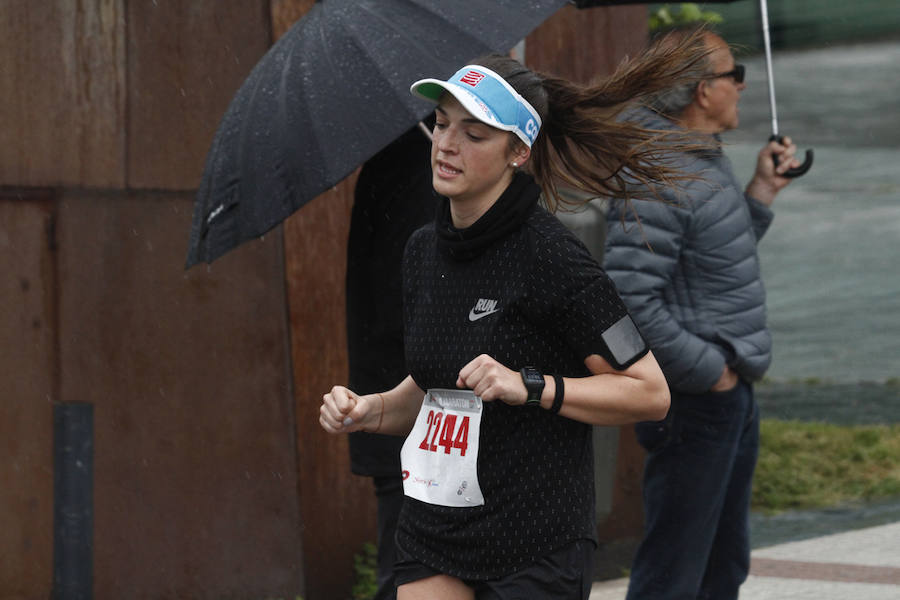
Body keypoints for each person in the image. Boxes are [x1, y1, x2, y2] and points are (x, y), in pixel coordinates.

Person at [321, 34, 710, 600]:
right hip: (438, 529)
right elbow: (435, 387)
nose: (446, 144)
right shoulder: (422, 252)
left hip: (535, 541)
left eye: (473, 134)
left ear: (517, 152)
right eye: (442, 122)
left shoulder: (551, 257)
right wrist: (369, 409)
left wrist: (529, 386)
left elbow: (649, 393)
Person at [602, 28, 801, 600]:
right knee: (674, 572)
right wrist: (709, 373)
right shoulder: (656, 173)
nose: (742, 86)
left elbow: (713, 262)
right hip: (696, 399)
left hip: (727, 394)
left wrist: (762, 191)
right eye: (731, 75)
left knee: (720, 565)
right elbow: (629, 301)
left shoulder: (696, 159)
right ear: (700, 91)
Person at [346, 122, 437, 600]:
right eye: (445, 124)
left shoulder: (400, 159)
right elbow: (406, 306)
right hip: (413, 415)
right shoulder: (415, 168)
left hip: (406, 412)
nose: (453, 142)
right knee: (410, 573)